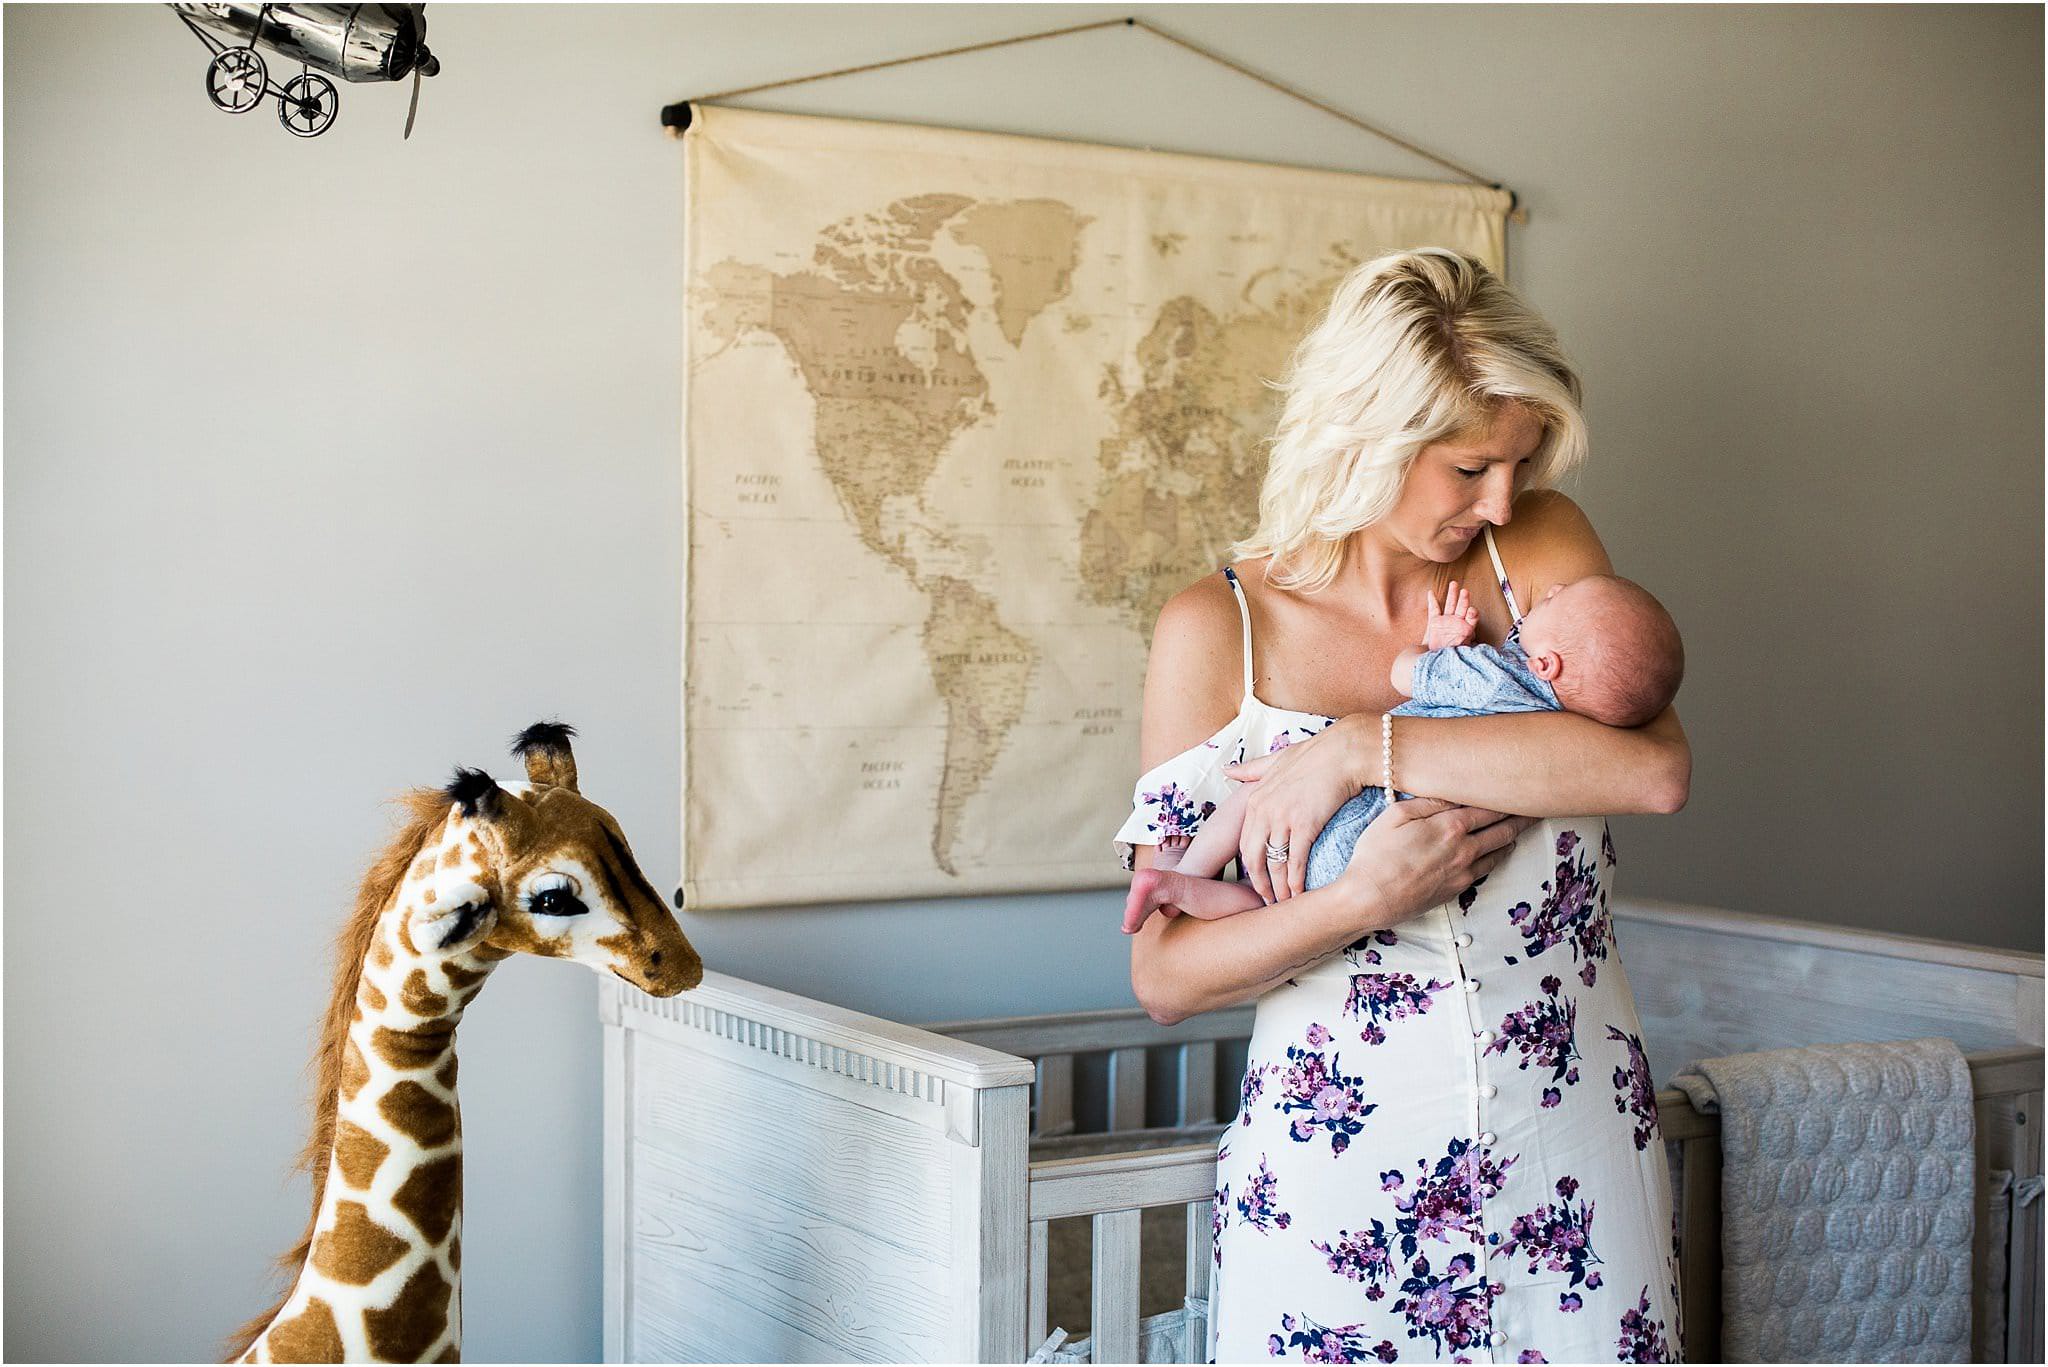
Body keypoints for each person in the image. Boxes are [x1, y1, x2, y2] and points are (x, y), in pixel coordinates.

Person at [1118, 247, 1690, 1363]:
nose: (1501, 499)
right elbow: (1163, 973)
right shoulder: (1216, 630)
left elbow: (1649, 770)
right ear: (1364, 437)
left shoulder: (1537, 554)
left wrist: (1354, 748)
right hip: (1339, 1175)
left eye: (1519, 463)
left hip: (1570, 1144)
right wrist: (1361, 898)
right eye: (1469, 468)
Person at [1120, 572, 1684, 935]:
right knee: (1261, 903)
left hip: (1344, 820)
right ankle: (1201, 888)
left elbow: (1407, 673)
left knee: (1260, 789)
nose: (1552, 592)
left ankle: (1187, 872)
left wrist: (1437, 647)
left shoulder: (1493, 674)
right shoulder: (1565, 731)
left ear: (1546, 664)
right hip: (1376, 850)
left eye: (1558, 601)